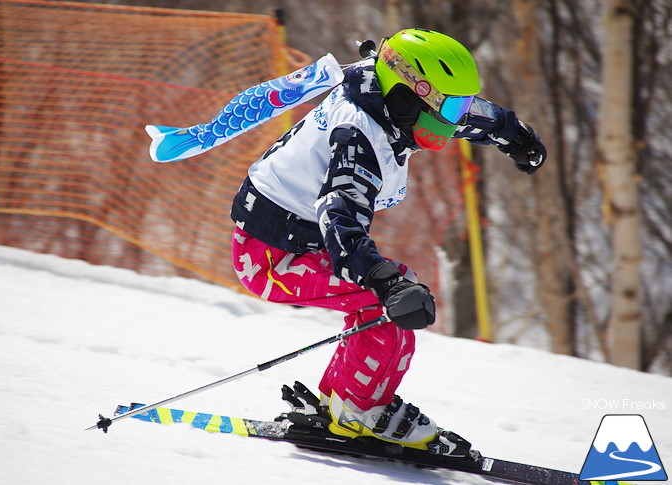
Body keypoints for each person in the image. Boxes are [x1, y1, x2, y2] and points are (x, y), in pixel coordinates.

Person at [230, 28, 546, 451]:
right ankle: (360, 412)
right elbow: (339, 212)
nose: (455, 119)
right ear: (407, 95)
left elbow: (467, 116)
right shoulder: (359, 134)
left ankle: (343, 403)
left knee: (391, 295)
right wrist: (382, 279)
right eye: (448, 106)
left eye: (460, 106)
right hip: (270, 257)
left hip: (299, 241)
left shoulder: (396, 102)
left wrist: (514, 134)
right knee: (387, 302)